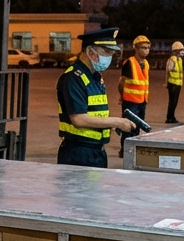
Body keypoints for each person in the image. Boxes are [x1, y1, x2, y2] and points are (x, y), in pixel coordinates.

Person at [56, 27, 140, 167]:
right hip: (78, 152)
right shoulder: (74, 78)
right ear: (90, 52)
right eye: (106, 52)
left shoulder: (94, 76)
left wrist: (109, 125)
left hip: (96, 150)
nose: (110, 57)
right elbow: (78, 119)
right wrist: (116, 122)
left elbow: (95, 112)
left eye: (112, 53)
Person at [117, 35, 151, 155]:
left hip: (142, 100)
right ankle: (125, 149)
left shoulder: (146, 63)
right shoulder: (129, 63)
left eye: (148, 48)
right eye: (143, 47)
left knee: (138, 127)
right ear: (136, 48)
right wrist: (121, 96)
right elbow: (121, 81)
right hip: (130, 101)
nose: (146, 50)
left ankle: (134, 148)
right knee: (128, 126)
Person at [165, 41, 184, 123]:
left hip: (178, 83)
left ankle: (172, 116)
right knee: (172, 101)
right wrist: (166, 83)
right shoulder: (172, 60)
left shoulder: (179, 60)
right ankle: (169, 117)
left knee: (175, 101)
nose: (182, 51)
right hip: (172, 84)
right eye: (181, 50)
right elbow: (168, 71)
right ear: (176, 51)